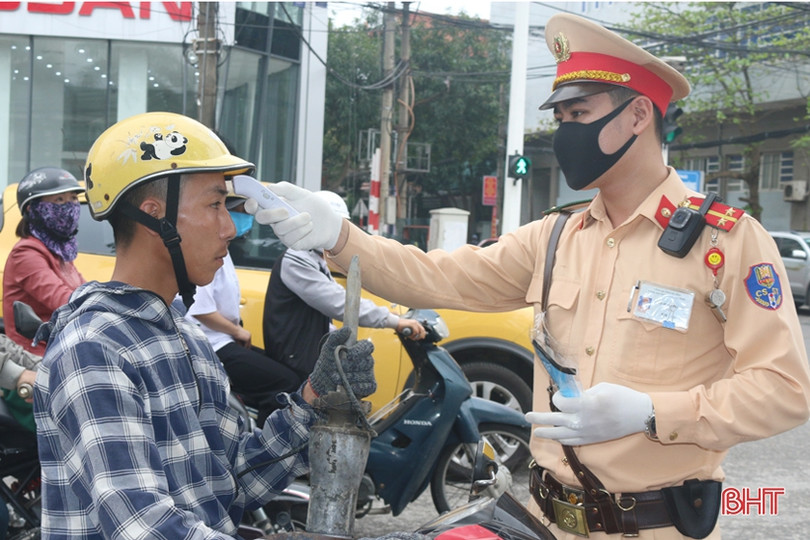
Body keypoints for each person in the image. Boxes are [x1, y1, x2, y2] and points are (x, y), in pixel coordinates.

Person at [247, 13, 810, 540]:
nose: (566, 133)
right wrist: (340, 238)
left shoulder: (724, 242)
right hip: (544, 517)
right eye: (560, 118)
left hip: (652, 525)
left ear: (638, 116)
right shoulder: (557, 236)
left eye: (580, 115)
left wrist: (652, 413)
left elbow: (784, 390)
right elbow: (437, 278)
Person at [32, 111, 381, 539]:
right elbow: (143, 525)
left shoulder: (185, 336)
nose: (230, 227)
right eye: (215, 204)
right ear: (155, 215)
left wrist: (313, 398)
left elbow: (230, 481)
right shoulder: (94, 348)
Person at [264, 189, 425, 385]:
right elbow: (338, 302)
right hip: (295, 354)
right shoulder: (297, 260)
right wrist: (393, 321)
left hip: (306, 349)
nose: (337, 236)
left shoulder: (317, 257)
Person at [184, 192, 300, 426]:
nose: (243, 219)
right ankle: (269, 449)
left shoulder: (223, 250)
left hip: (224, 338)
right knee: (284, 384)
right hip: (212, 344)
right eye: (238, 212)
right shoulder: (204, 249)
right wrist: (237, 331)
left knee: (287, 374)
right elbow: (201, 309)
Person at [2, 166, 85, 430]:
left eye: (73, 199)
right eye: (59, 201)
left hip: (62, 358)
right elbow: (66, 301)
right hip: (34, 366)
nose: (69, 206)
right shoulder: (27, 253)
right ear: (32, 210)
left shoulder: (60, 254)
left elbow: (89, 293)